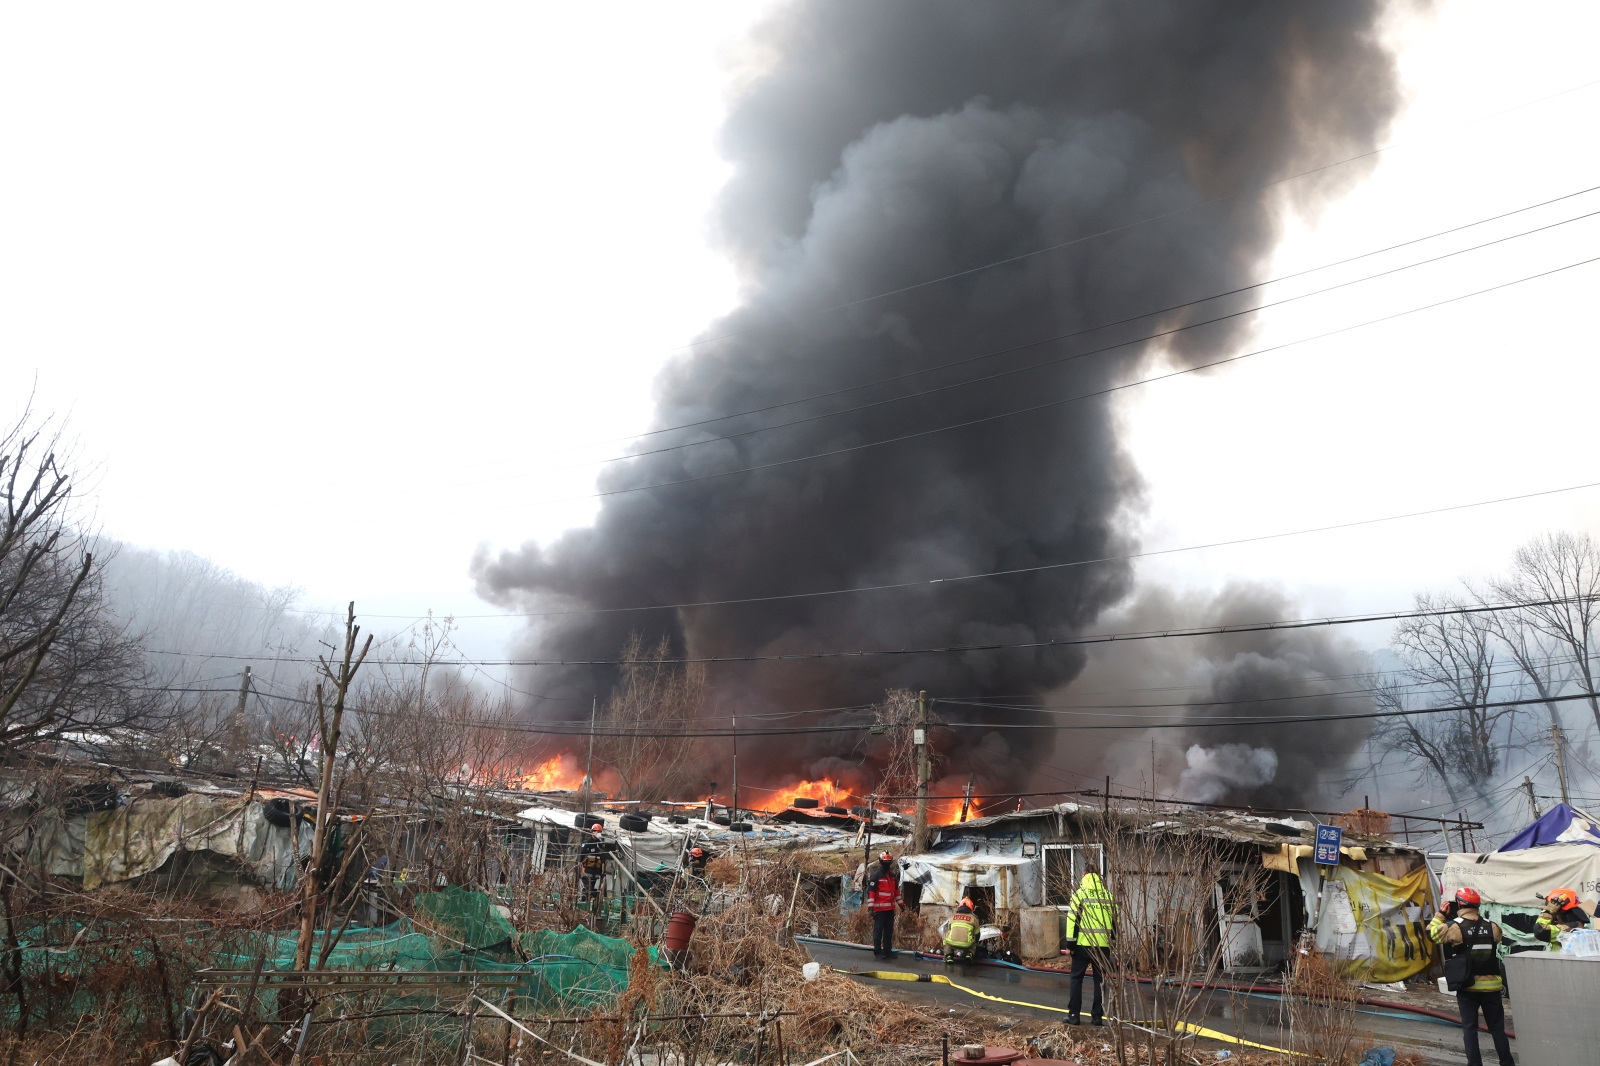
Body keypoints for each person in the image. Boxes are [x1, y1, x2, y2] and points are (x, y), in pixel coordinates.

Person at [1427, 886, 1514, 1066]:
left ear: (1459, 904)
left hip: (1468, 986)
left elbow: (1431, 934)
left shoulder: (1453, 927)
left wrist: (1440, 915)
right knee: (1497, 1029)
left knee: (1470, 1028)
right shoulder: (1493, 926)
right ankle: (1507, 1063)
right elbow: (1499, 940)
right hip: (1492, 987)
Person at [1063, 869, 1115, 1026]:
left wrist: (1070, 945)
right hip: (1103, 946)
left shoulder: (1079, 895)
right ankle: (1097, 1017)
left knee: (1076, 979)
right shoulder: (1108, 896)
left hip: (1082, 945)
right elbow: (1115, 923)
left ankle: (1074, 1015)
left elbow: (1072, 921)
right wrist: (1112, 942)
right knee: (1099, 981)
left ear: (1084, 874)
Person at [864, 850, 901, 959]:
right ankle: (877, 951)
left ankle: (887, 951)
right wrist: (871, 908)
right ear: (881, 862)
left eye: (888, 861)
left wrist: (901, 904)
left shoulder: (893, 876)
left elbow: (896, 893)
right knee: (878, 931)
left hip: (890, 910)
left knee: (889, 931)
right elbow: (871, 893)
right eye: (885, 861)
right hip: (879, 911)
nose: (887, 863)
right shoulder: (876, 876)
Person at [1535, 886, 1592, 951]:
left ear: (1559, 913)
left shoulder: (1569, 929)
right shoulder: (1576, 924)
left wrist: (1548, 912)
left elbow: (1540, 931)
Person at [943, 897, 979, 963]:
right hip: (967, 944)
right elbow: (977, 934)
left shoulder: (953, 917)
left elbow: (949, 929)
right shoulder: (974, 919)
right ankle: (969, 954)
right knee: (974, 939)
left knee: (946, 936)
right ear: (971, 907)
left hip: (952, 943)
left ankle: (949, 956)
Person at [579, 822, 608, 902]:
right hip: (587, 870)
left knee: (591, 888)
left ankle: (588, 901)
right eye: (597, 832)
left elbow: (603, 857)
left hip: (596, 871)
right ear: (592, 832)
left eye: (600, 832)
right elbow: (580, 855)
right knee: (588, 888)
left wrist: (602, 870)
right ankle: (585, 902)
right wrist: (579, 867)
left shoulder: (600, 844)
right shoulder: (587, 843)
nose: (598, 833)